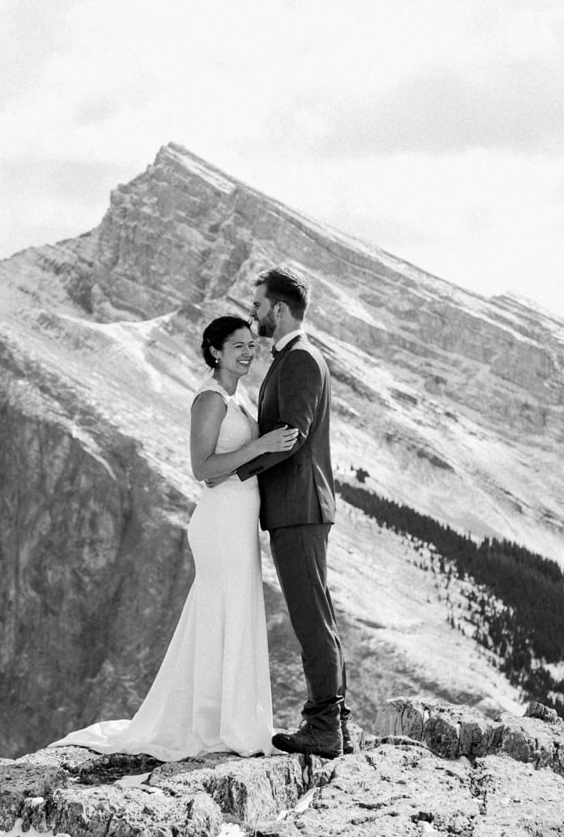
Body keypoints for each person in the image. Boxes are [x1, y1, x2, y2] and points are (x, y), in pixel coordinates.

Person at [52, 315, 298, 759]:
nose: (247, 352)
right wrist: (262, 446)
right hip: (220, 520)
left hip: (238, 519)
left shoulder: (234, 396)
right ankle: (212, 725)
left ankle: (228, 719)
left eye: (250, 345)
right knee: (222, 612)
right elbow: (202, 468)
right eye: (237, 346)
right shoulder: (209, 399)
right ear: (215, 351)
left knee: (231, 611)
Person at [233, 266, 350, 758]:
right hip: (298, 506)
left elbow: (294, 433)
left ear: (279, 310)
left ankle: (324, 727)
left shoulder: (300, 359)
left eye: (258, 306)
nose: (253, 314)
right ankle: (335, 720)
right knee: (317, 614)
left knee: (310, 618)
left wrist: (237, 470)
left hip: (298, 507)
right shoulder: (295, 357)